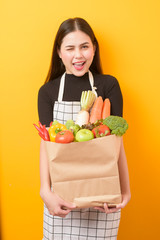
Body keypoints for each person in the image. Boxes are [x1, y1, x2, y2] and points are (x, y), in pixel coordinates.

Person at [38, 17, 131, 240]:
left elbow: (116, 143)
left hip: (103, 196)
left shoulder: (109, 85)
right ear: (59, 52)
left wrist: (126, 191)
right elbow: (45, 143)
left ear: (94, 48)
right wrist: (45, 192)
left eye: (84, 47)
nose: (78, 55)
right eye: (70, 48)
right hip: (62, 199)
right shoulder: (48, 92)